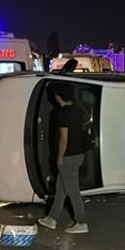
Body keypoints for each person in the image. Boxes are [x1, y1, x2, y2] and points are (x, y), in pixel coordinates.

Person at [37, 83, 91, 234]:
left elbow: (63, 139)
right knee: (62, 189)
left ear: (58, 95)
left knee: (72, 190)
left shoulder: (63, 113)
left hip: (68, 156)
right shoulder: (78, 110)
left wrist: (59, 157)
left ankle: (82, 222)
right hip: (78, 154)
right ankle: (52, 218)